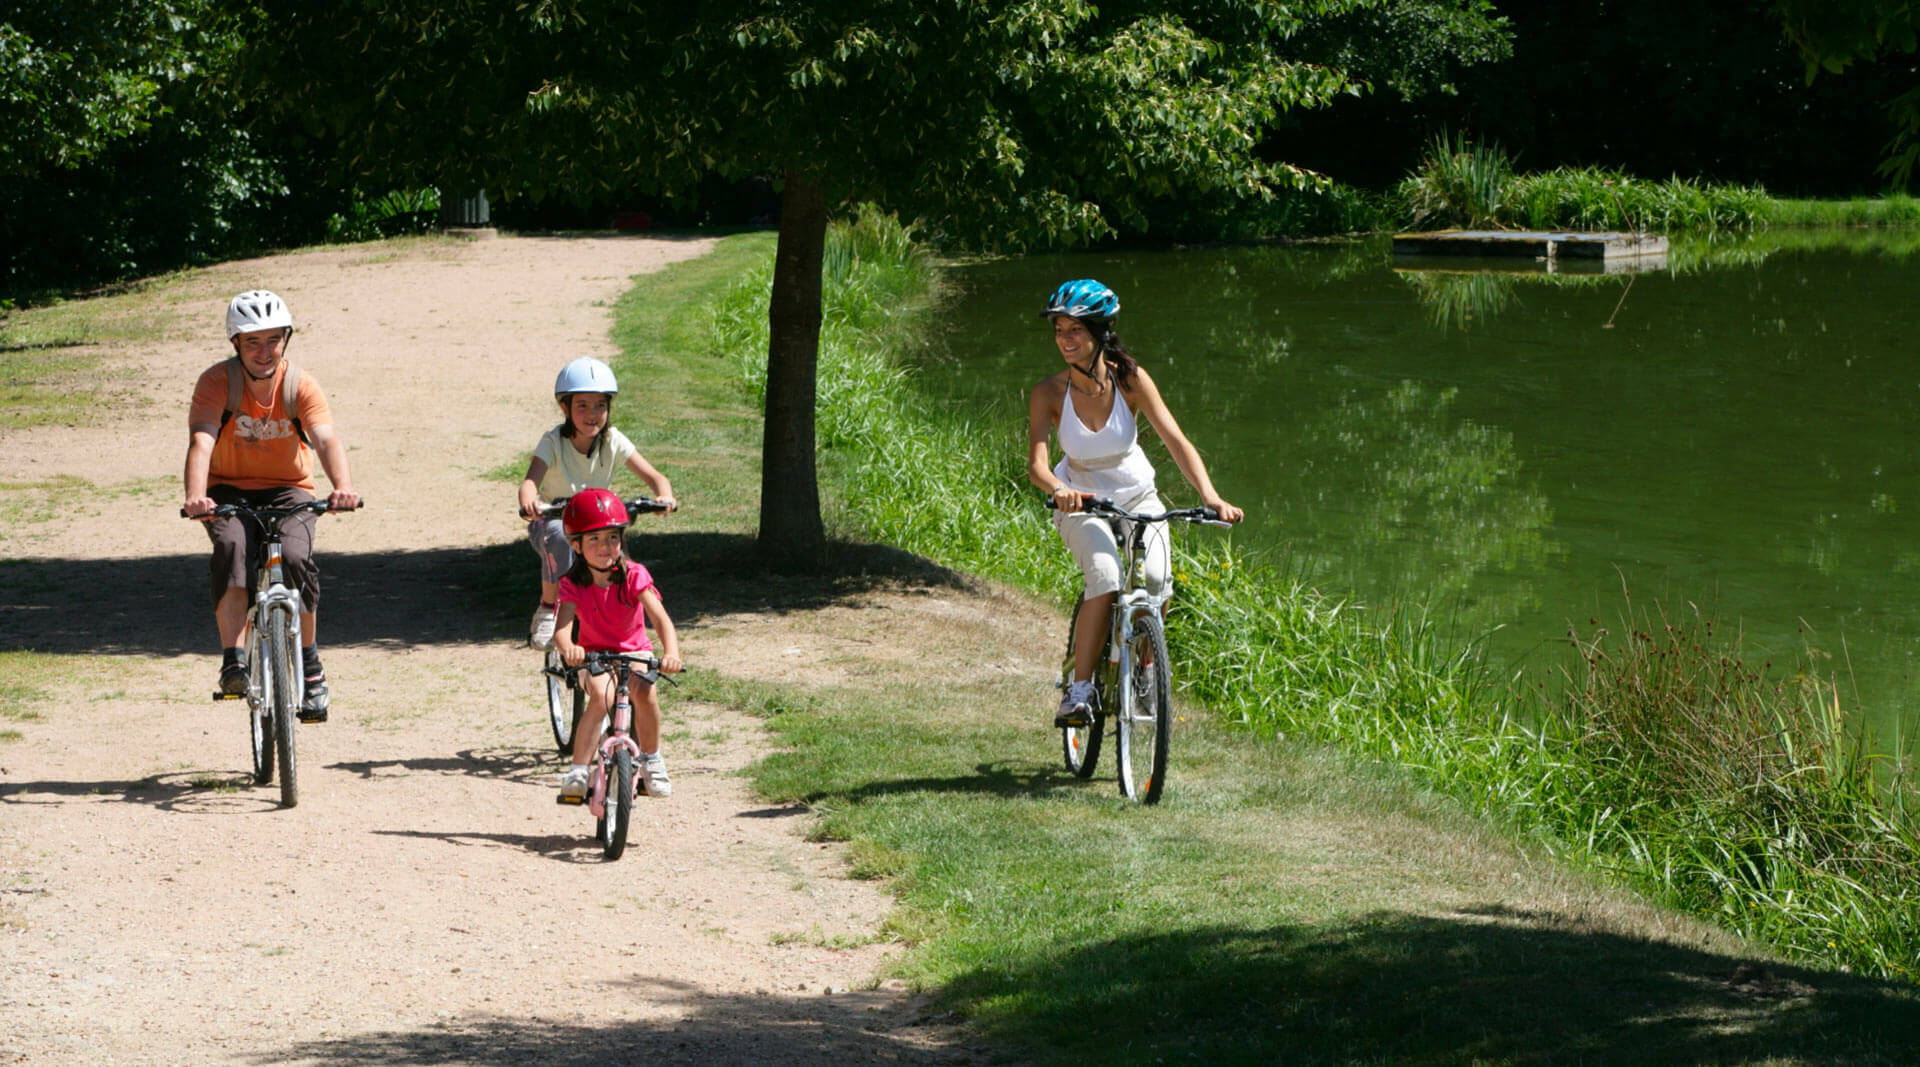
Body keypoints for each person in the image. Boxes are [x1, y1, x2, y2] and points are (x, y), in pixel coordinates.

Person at [1026, 278, 1244, 727]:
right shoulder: (1048, 392)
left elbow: (1177, 442)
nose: (1064, 340)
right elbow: (1038, 467)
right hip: (1081, 503)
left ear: (1100, 332)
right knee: (1105, 575)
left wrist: (1211, 497)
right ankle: (1080, 689)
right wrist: (1059, 491)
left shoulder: (1131, 381)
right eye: (1058, 331)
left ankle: (1144, 668)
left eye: (1074, 331)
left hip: (1138, 495)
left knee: (1158, 580)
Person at [183, 289, 359, 721]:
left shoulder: (300, 384)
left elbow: (324, 439)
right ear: (235, 345)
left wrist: (343, 487)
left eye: (274, 340)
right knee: (233, 550)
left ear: (286, 339)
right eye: (252, 342)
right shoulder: (216, 383)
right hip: (227, 489)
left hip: (289, 489)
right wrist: (196, 495)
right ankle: (233, 660)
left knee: (297, 557)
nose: (265, 351)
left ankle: (312, 668)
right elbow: (201, 441)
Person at [517, 357, 675, 650]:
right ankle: (549, 608)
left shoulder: (612, 440)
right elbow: (530, 481)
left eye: (600, 405)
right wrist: (530, 502)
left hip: (596, 523)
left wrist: (663, 494)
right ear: (565, 408)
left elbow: (654, 476)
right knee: (559, 538)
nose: (593, 414)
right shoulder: (553, 443)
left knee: (613, 548)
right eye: (582, 406)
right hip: (554, 521)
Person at [550, 489, 683, 801]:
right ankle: (578, 771)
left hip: (634, 651)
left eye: (612, 537)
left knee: (645, 690)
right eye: (593, 539)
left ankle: (652, 759)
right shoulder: (572, 584)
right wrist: (569, 647)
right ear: (576, 546)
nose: (604, 547)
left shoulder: (634, 575)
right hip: (593, 655)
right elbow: (562, 629)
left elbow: (661, 620)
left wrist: (672, 652)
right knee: (601, 695)